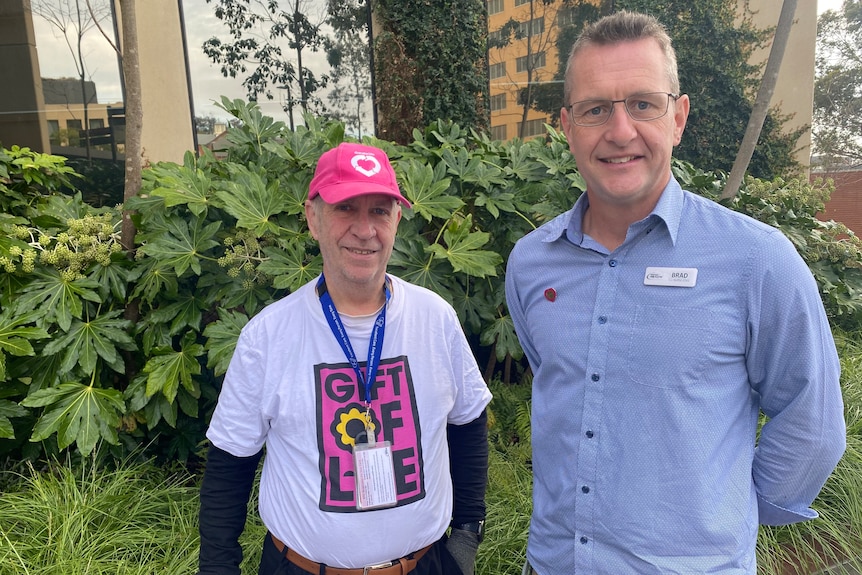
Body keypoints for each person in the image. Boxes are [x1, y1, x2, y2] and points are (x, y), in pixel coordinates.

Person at [505, 11, 846, 575]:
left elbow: (812, 423)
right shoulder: (531, 264)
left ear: (678, 116)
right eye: (596, 109)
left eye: (643, 103)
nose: (620, 131)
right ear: (567, 126)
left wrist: (721, 516)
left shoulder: (758, 263)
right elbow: (554, 375)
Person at [198, 142, 492, 575]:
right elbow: (228, 469)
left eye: (379, 211)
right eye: (345, 208)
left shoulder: (435, 319)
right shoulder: (268, 334)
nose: (364, 229)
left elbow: (469, 422)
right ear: (313, 218)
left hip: (423, 566)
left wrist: (466, 535)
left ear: (396, 220)